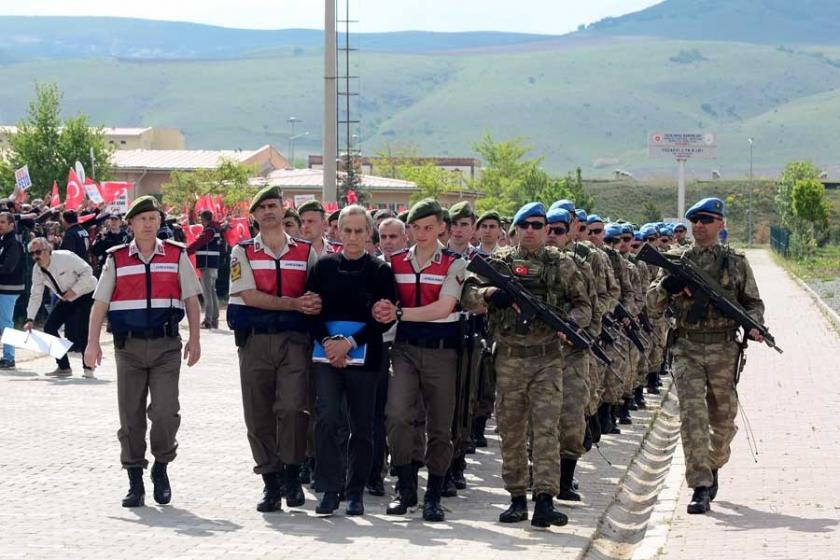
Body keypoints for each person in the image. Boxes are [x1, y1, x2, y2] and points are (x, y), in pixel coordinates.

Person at [462, 202, 591, 529]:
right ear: (515, 230)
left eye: (538, 225)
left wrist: (568, 325)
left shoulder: (561, 265)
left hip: (546, 357)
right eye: (525, 225)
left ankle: (545, 499)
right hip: (508, 358)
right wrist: (491, 294)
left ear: (547, 230)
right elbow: (467, 296)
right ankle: (517, 497)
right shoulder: (500, 263)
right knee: (511, 428)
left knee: (546, 428)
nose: (531, 231)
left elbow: (583, 306)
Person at [647, 197, 766, 515]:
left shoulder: (736, 262)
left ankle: (712, 465)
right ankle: (699, 486)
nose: (699, 226)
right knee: (693, 417)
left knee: (723, 421)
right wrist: (667, 287)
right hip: (687, 348)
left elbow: (753, 302)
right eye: (694, 221)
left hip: (724, 349)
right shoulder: (677, 260)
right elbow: (652, 305)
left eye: (706, 220)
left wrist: (755, 326)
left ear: (720, 224)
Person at [84, 195, 202, 508]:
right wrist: (92, 342)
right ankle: (135, 478)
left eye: (153, 218)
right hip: (129, 348)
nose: (148, 224)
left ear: (160, 222)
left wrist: (196, 338)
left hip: (166, 346)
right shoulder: (116, 258)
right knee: (131, 416)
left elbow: (191, 299)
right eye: (142, 219)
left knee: (165, 411)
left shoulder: (176, 256)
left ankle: (161, 467)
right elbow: (100, 304)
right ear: (131, 224)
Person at [226, 186, 321, 513]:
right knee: (258, 412)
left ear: (284, 209)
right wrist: (293, 303)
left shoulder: (306, 252)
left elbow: (318, 292)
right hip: (255, 341)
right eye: (261, 207)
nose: (268, 211)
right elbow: (249, 296)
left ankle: (292, 475)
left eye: (273, 205)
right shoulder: (242, 252)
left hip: (295, 342)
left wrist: (311, 304)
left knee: (294, 408)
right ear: (253, 215)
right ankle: (270, 481)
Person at [372, 198, 467, 522]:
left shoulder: (455, 262)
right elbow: (381, 304)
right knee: (397, 416)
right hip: (405, 349)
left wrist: (400, 312)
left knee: (440, 426)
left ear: (442, 227)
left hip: (443, 351)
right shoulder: (395, 261)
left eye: (429, 227)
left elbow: (444, 307)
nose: (422, 233)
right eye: (416, 227)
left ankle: (435, 496)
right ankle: (406, 488)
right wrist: (383, 311)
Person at [306, 205, 397, 516]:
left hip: (367, 355)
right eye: (348, 230)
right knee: (328, 418)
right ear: (337, 232)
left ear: (369, 233)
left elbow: (384, 320)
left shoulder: (381, 271)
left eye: (360, 231)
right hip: (327, 356)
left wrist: (351, 343)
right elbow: (311, 311)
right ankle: (329, 490)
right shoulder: (323, 268)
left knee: (362, 426)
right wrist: (331, 345)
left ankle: (355, 491)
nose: (354, 237)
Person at [24, 238, 97, 378]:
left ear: (48, 250)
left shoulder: (66, 257)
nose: (35, 256)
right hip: (67, 298)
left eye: (38, 252)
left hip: (87, 292)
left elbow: (88, 271)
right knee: (49, 327)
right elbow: (36, 295)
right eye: (31, 254)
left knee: (83, 330)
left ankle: (88, 367)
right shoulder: (37, 270)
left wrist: (75, 290)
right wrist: (30, 318)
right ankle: (64, 367)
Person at [186, 210, 222, 329]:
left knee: (207, 293)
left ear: (204, 219)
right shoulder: (215, 229)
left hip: (206, 263)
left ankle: (208, 320)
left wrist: (185, 251)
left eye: (201, 219)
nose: (200, 221)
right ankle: (214, 319)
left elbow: (199, 242)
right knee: (212, 291)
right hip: (213, 264)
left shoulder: (209, 231)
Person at [0, 212, 24, 369]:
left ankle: (9, 358)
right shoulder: (4, 240)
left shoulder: (13, 242)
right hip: (3, 287)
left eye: (2, 222)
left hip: (9, 289)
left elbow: (9, 267)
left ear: (11, 225)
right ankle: (7, 356)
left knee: (6, 323)